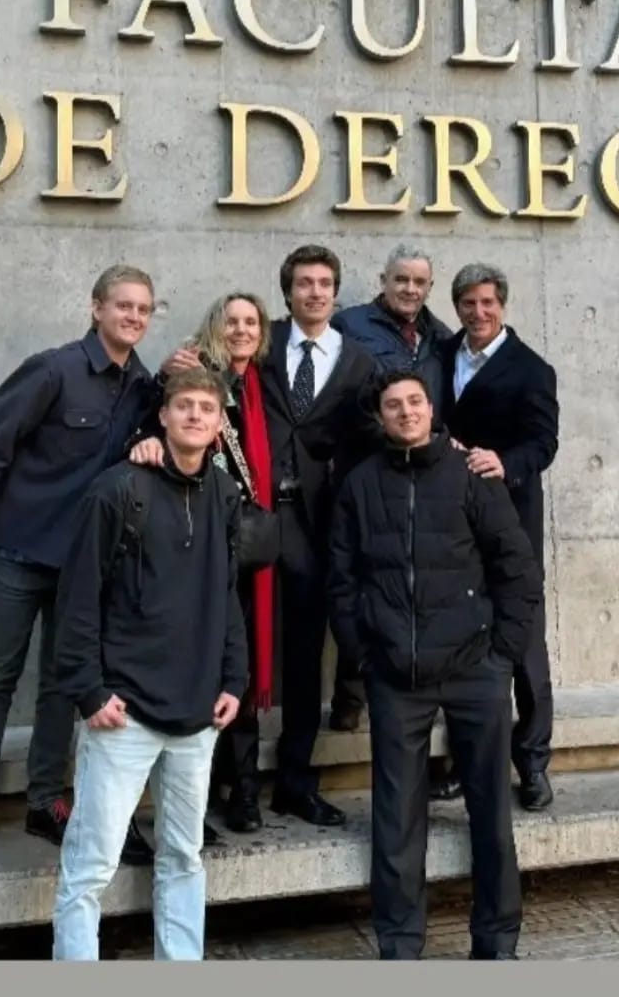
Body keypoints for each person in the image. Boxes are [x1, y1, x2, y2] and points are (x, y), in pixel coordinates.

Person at [0, 265, 158, 868]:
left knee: (65, 683)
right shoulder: (53, 370)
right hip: (18, 549)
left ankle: (45, 801)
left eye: (143, 309)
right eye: (123, 305)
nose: (134, 317)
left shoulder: (144, 388)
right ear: (96, 308)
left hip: (83, 564)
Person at [328, 370, 542, 961]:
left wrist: (501, 656)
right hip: (396, 675)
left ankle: (496, 944)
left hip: (476, 669)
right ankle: (400, 946)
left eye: (415, 401)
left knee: (491, 814)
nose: (406, 412)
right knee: (396, 821)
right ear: (381, 416)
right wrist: (364, 653)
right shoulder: (361, 484)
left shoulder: (470, 475)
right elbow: (341, 581)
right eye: (394, 404)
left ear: (431, 409)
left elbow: (518, 571)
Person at [51, 368, 248, 962]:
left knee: (184, 858)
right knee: (90, 867)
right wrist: (89, 691)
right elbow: (77, 598)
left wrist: (233, 677)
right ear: (162, 416)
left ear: (219, 424)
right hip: (124, 713)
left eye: (206, 408)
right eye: (183, 405)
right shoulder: (117, 490)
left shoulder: (224, 494)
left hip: (197, 714)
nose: (194, 415)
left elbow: (226, 593)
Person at [130, 291, 275, 834]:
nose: (241, 330)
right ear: (215, 325)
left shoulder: (260, 382)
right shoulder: (191, 373)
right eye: (231, 320)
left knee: (239, 663)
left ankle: (244, 789)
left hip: (243, 543)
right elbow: (152, 425)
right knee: (201, 662)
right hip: (193, 538)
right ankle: (200, 796)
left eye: (251, 321)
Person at [260, 244, 377, 826]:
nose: (314, 292)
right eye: (304, 283)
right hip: (254, 518)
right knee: (238, 650)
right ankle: (233, 784)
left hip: (315, 524)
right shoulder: (261, 342)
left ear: (335, 292)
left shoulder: (358, 361)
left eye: (324, 283)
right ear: (288, 292)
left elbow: (380, 429)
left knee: (306, 658)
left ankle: (294, 781)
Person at [439, 263, 559, 812]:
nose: (478, 312)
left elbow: (543, 443)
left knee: (524, 647)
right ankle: (465, 764)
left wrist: (505, 462)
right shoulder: (444, 354)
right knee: (462, 644)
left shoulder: (532, 369)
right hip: (455, 522)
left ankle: (532, 764)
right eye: (468, 303)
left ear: (502, 305)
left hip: (512, 521)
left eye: (487, 302)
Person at [332, 243, 454, 413]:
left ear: (429, 287)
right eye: (401, 280)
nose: (410, 289)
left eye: (419, 282)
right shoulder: (348, 326)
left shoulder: (443, 337)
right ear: (384, 281)